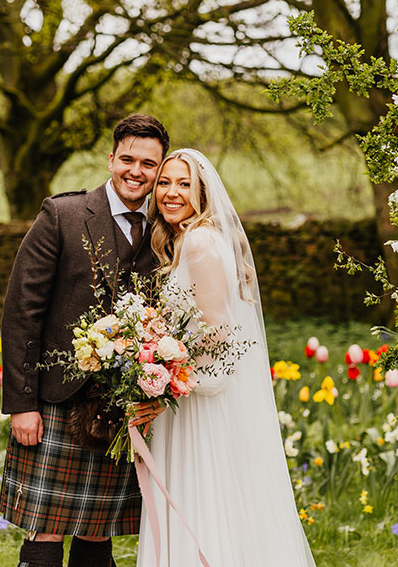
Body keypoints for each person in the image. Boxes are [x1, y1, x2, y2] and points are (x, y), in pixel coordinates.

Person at [0, 114, 170, 567]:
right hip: (56, 399)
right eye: (128, 159)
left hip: (122, 406)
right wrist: (22, 403)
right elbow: (22, 312)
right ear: (111, 159)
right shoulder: (63, 214)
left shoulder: (166, 229)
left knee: (98, 533)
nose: (136, 171)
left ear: (160, 169)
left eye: (148, 164)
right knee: (47, 529)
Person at [136, 148, 316, 567]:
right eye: (164, 183)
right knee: (212, 498)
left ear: (201, 192)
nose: (171, 193)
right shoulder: (188, 239)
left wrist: (166, 368)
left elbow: (219, 329)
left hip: (199, 400)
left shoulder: (199, 241)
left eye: (183, 184)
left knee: (201, 497)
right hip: (191, 393)